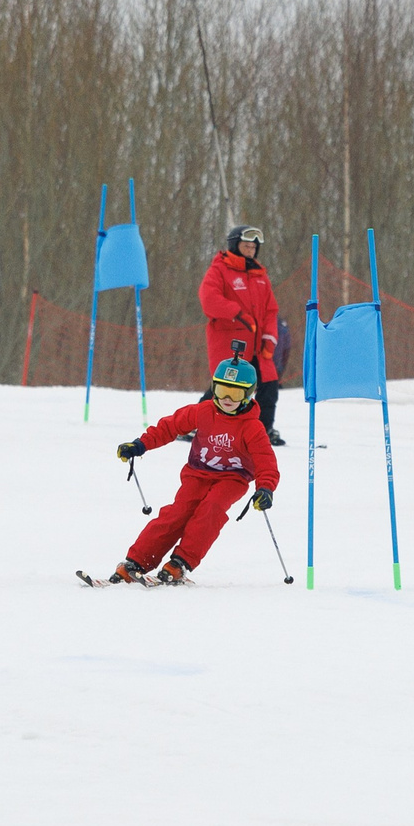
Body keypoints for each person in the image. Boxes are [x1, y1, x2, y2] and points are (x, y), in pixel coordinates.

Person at [93, 350, 280, 586]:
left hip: (232, 479)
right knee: (176, 514)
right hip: (197, 474)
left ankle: (180, 563)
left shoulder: (252, 428)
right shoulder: (203, 411)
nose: (227, 399)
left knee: (210, 510)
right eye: (221, 390)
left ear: (249, 394)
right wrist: (141, 445)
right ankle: (137, 562)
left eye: (234, 393)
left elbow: (266, 461)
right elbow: (170, 427)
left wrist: (265, 488)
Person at [201, 225, 285, 443]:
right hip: (231, 343)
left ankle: (263, 431)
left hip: (258, 347)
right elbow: (208, 298)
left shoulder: (260, 275)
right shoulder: (220, 269)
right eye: (246, 246)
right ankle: (197, 423)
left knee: (268, 385)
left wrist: (270, 338)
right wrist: (237, 313)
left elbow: (270, 310)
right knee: (226, 388)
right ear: (235, 245)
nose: (250, 250)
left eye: (253, 247)